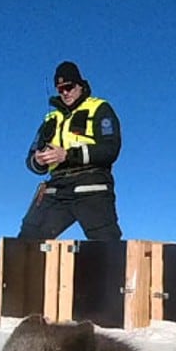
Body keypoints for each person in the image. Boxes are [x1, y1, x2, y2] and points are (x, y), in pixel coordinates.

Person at [19, 61, 122, 240]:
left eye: (69, 87)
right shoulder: (51, 118)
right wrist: (39, 160)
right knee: (26, 242)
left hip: (91, 184)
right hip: (56, 188)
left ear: (80, 85)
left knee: (107, 249)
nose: (65, 92)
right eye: (60, 89)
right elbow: (30, 159)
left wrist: (67, 155)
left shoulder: (99, 108)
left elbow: (110, 149)